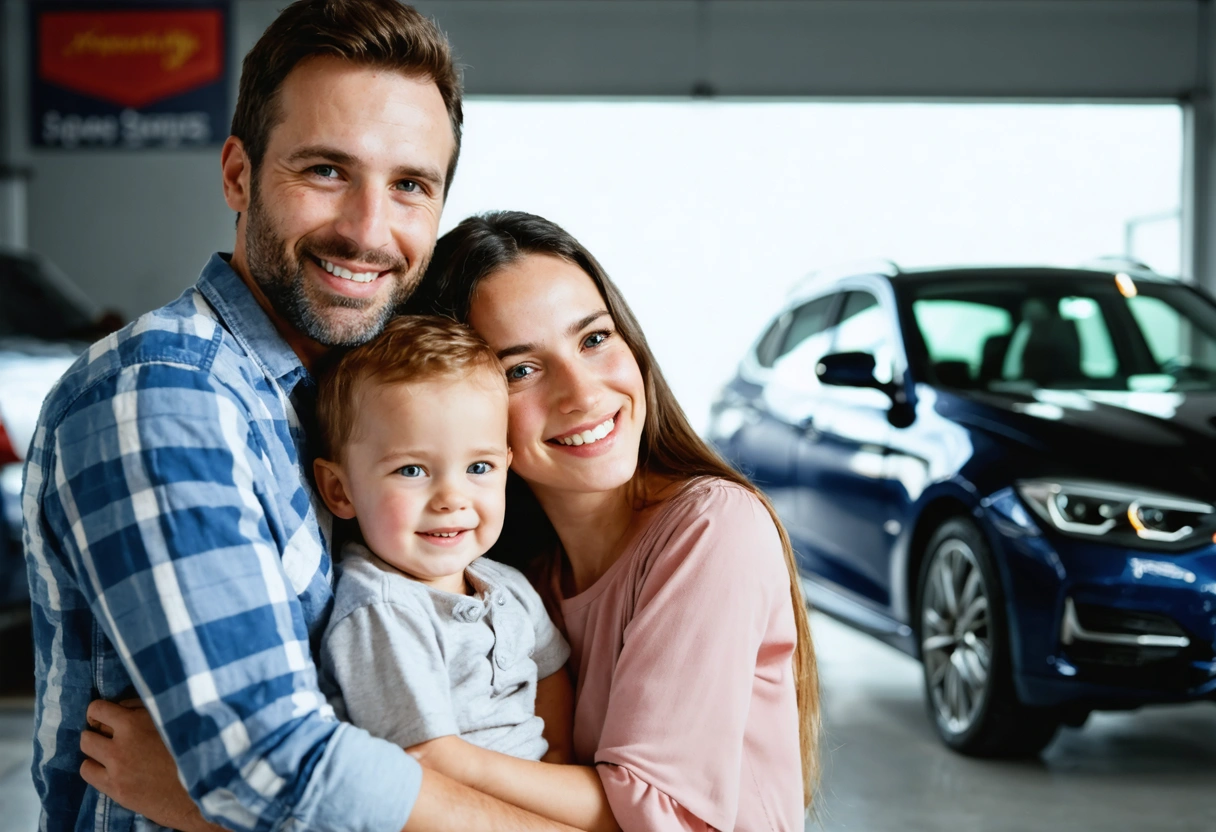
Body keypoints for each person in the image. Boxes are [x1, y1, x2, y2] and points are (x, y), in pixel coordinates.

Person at [23, 2, 578, 830]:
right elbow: (271, 764)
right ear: (239, 176)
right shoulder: (167, 399)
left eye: (409, 186)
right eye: (325, 171)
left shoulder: (349, 392)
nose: (367, 230)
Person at [397, 211, 823, 831]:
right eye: (521, 370)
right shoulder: (509, 579)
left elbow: (663, 813)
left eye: (594, 339)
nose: (583, 392)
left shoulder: (714, 527)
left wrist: (440, 766)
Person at [310, 316, 574, 765]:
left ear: (506, 468)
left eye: (479, 468)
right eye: (412, 470)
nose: (452, 499)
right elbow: (429, 759)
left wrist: (560, 772)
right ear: (340, 490)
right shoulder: (382, 612)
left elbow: (553, 685)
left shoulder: (506, 585)